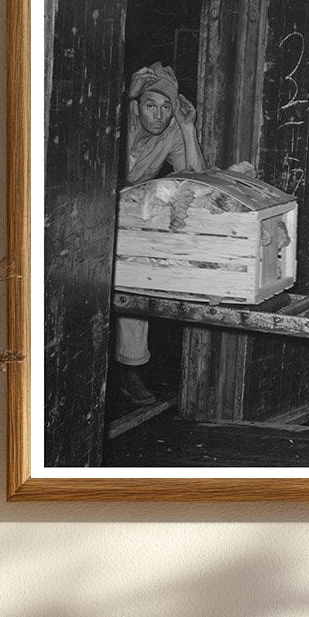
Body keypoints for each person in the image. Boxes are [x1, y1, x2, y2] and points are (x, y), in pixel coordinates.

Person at [114, 62, 206, 406]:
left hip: (130, 217)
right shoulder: (121, 120)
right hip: (92, 208)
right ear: (138, 106)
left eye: (166, 108)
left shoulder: (170, 131)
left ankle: (129, 370)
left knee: (135, 280)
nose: (158, 115)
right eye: (151, 105)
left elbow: (195, 176)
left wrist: (187, 127)